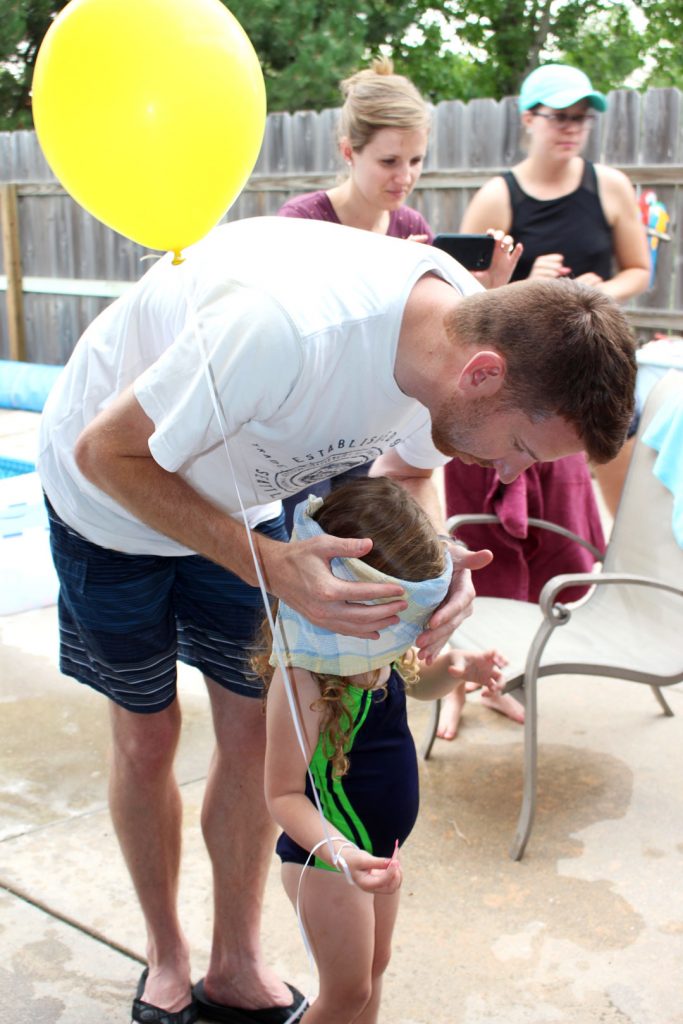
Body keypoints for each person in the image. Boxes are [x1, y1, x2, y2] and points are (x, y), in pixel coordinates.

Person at [37, 214, 635, 1023]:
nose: (506, 474)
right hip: (113, 502)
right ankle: (166, 953)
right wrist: (273, 563)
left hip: (246, 504)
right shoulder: (288, 330)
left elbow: (412, 476)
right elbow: (105, 454)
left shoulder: (460, 343)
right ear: (484, 375)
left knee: (255, 737)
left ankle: (236, 960)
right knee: (147, 737)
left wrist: (436, 569)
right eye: (522, 449)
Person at [437, 63, 650, 740]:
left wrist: (587, 299)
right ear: (527, 118)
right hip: (507, 404)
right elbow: (463, 303)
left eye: (581, 116)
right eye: (557, 115)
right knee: (480, 539)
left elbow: (639, 272)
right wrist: (530, 288)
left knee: (566, 536)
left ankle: (520, 664)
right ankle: (456, 681)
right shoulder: (495, 197)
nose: (570, 128)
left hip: (575, 401)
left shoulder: (609, 186)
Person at [259, 478, 507, 1023]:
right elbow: (280, 795)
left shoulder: (378, 646)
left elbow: (417, 685)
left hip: (382, 850)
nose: (401, 635)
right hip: (327, 863)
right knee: (344, 995)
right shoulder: (304, 681)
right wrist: (342, 855)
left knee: (373, 972)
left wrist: (459, 671)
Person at [276, 56, 519, 528]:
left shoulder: (412, 226)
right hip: (302, 433)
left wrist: (481, 294)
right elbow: (294, 329)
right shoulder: (302, 221)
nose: (404, 176)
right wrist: (378, 280)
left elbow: (436, 343)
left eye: (415, 160)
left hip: (374, 431)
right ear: (349, 152)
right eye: (388, 161)